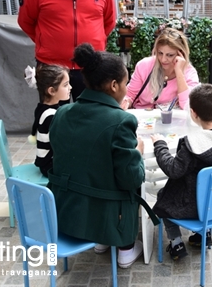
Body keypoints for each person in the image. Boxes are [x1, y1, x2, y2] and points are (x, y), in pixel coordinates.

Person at [48, 43, 157, 269]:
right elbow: (131, 179)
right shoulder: (121, 121)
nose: (127, 89)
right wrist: (137, 151)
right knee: (126, 179)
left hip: (66, 214)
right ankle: (125, 247)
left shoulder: (62, 113)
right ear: (114, 85)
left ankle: (101, 244)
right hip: (106, 219)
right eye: (126, 83)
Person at [150, 83, 212, 260]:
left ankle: (176, 243)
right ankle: (204, 235)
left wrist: (160, 145)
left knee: (163, 195)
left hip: (193, 207)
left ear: (193, 113)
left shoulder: (192, 144)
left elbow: (173, 170)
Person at [18, 0, 116, 101]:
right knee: (53, 117)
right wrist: (47, 42)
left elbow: (109, 21)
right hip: (52, 67)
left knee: (89, 116)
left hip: (89, 67)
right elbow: (25, 21)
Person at [121, 28, 199, 110]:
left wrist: (179, 72)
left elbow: (187, 106)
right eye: (160, 53)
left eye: (170, 55)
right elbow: (130, 95)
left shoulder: (190, 72)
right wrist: (125, 102)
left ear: (181, 53)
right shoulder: (144, 65)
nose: (163, 59)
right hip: (143, 117)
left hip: (172, 119)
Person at [25, 64, 71, 177]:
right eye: (65, 85)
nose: (70, 87)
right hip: (50, 165)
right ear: (52, 91)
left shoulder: (44, 108)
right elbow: (65, 142)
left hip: (47, 162)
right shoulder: (50, 115)